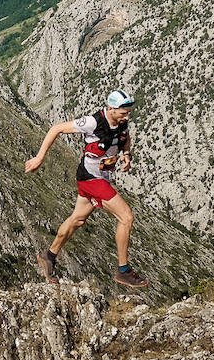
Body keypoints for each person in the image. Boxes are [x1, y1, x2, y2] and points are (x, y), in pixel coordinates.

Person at [25, 89, 149, 288]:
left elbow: (125, 138)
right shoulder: (92, 122)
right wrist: (39, 158)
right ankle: (123, 270)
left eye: (128, 113)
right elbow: (56, 128)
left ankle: (49, 256)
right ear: (111, 108)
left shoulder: (122, 122)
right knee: (126, 217)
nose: (127, 117)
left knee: (77, 219)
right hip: (91, 179)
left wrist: (127, 155)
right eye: (123, 113)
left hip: (101, 178)